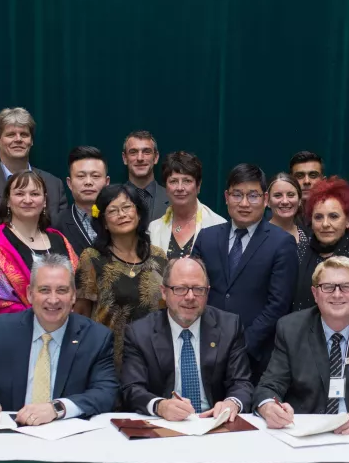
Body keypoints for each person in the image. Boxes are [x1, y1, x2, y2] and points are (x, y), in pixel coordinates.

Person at [0, 254, 118, 423]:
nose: (53, 300)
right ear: (30, 294)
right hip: (8, 436)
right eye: (44, 290)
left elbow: (106, 393)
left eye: (61, 290)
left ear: (74, 296)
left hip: (66, 438)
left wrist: (57, 408)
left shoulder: (96, 337)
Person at [254, 256, 349, 433]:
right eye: (327, 287)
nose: (337, 294)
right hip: (305, 431)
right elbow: (268, 386)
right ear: (315, 294)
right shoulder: (290, 329)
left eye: (346, 287)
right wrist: (268, 407)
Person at [192, 164, 298, 383]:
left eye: (253, 196)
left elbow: (278, 304)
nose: (244, 203)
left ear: (265, 199)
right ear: (226, 197)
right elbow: (193, 289)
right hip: (204, 350)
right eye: (237, 195)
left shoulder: (281, 243)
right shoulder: (206, 237)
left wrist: (241, 346)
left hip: (256, 356)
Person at [119, 257, 252, 420]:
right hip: (164, 424)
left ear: (207, 292)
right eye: (180, 289)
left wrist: (232, 403)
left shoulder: (229, 326)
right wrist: (160, 406)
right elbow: (131, 388)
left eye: (198, 289)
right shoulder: (139, 333)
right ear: (164, 291)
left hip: (214, 422)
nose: (190, 297)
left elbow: (242, 383)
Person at [76, 184, 166, 372]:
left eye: (127, 207)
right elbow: (81, 315)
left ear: (139, 213)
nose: (122, 214)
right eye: (113, 211)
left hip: (154, 357)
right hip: (108, 359)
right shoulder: (92, 258)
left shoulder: (159, 257)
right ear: (104, 223)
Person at [0, 171, 79, 320]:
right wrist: (46, 317)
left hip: (66, 327)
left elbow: (78, 286)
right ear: (8, 200)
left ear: (44, 200)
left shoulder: (59, 238)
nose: (28, 200)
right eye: (20, 194)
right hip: (18, 332)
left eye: (34, 194)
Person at [292, 176, 349, 310]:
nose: (325, 224)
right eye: (318, 217)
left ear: (348, 221)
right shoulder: (298, 251)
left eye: (333, 216)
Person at [0, 108, 66, 220]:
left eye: (24, 134)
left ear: (31, 141)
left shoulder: (54, 185)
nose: (18, 139)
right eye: (11, 134)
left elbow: (60, 230)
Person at [147, 151, 225, 260]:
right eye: (173, 181)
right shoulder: (153, 229)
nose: (180, 188)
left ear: (198, 186)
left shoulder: (219, 226)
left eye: (187, 181)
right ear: (166, 188)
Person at [53, 146, 109, 255]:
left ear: (107, 182)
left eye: (95, 176)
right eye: (81, 176)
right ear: (69, 183)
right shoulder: (57, 224)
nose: (88, 182)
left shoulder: (119, 218)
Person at [122, 131, 168, 224]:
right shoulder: (112, 200)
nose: (140, 158)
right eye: (133, 152)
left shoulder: (173, 199)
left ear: (156, 158)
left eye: (146, 152)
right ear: (125, 158)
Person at [267, 173, 307, 246]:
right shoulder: (255, 236)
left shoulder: (308, 236)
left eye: (291, 195)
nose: (285, 201)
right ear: (267, 201)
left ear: (300, 200)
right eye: (278, 195)